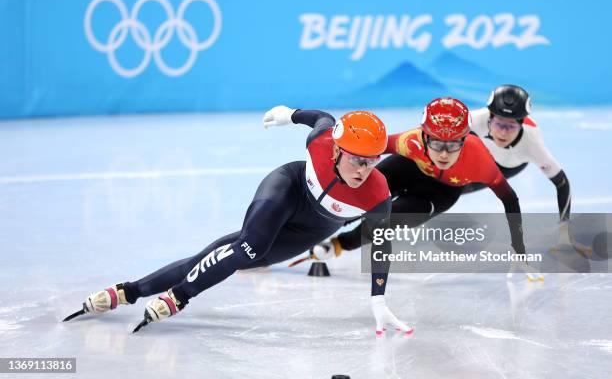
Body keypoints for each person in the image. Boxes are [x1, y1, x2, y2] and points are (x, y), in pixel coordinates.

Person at [64, 107, 412, 335]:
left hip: (312, 228)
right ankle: (179, 297)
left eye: (372, 161)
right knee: (248, 248)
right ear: (336, 150)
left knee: (225, 254)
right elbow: (319, 116)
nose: (365, 170)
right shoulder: (322, 139)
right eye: (357, 160)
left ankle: (130, 291)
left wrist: (378, 300)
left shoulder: (377, 194)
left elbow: (381, 246)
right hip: (287, 189)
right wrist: (289, 114)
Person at [306, 97, 542, 280]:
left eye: (453, 145)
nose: (443, 154)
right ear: (424, 137)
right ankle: (307, 232)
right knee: (357, 197)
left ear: (465, 139)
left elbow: (510, 199)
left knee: (389, 221)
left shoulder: (480, 160)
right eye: (437, 143)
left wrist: (519, 250)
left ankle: (338, 245)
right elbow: (355, 149)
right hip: (408, 167)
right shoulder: (410, 141)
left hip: (441, 193)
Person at [467, 85, 585, 255]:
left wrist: (564, 236)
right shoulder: (474, 119)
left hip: (509, 166)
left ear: (522, 124)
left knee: (451, 189)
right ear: (489, 117)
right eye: (499, 123)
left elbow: (562, 183)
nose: (503, 132)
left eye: (511, 127)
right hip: (483, 157)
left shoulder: (532, 142)